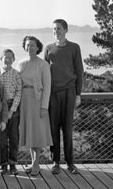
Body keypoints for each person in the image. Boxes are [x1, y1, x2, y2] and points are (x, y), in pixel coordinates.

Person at [44, 19, 84, 175]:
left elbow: (79, 72)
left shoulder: (74, 48)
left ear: (66, 30)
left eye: (59, 28)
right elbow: (45, 74)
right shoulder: (48, 49)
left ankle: (70, 162)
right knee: (53, 129)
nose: (56, 31)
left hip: (69, 92)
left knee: (67, 129)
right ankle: (55, 162)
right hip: (53, 94)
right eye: (54, 29)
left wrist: (78, 94)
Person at [18, 36, 52, 176]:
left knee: (37, 133)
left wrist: (44, 106)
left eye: (33, 45)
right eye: (28, 45)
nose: (30, 47)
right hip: (24, 101)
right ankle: (33, 163)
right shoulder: (21, 63)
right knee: (30, 133)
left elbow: (47, 87)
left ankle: (36, 163)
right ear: (25, 47)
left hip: (37, 101)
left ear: (38, 47)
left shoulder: (43, 64)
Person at [0, 49, 22, 175]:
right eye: (5, 57)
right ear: (1, 59)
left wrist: (12, 110)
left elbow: (19, 93)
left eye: (10, 57)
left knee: (14, 138)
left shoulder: (17, 74)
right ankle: (3, 164)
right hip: (0, 107)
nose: (8, 59)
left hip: (13, 108)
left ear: (14, 59)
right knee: (2, 138)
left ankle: (13, 164)